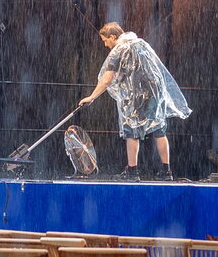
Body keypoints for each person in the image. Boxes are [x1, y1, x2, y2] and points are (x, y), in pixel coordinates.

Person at [79, 22, 191, 181]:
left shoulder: (119, 50)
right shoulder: (141, 44)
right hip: (155, 92)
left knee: (131, 131)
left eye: (105, 40)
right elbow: (156, 69)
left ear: (113, 37)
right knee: (159, 129)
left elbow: (107, 79)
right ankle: (167, 172)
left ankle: (133, 171)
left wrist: (91, 97)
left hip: (136, 95)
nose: (105, 44)